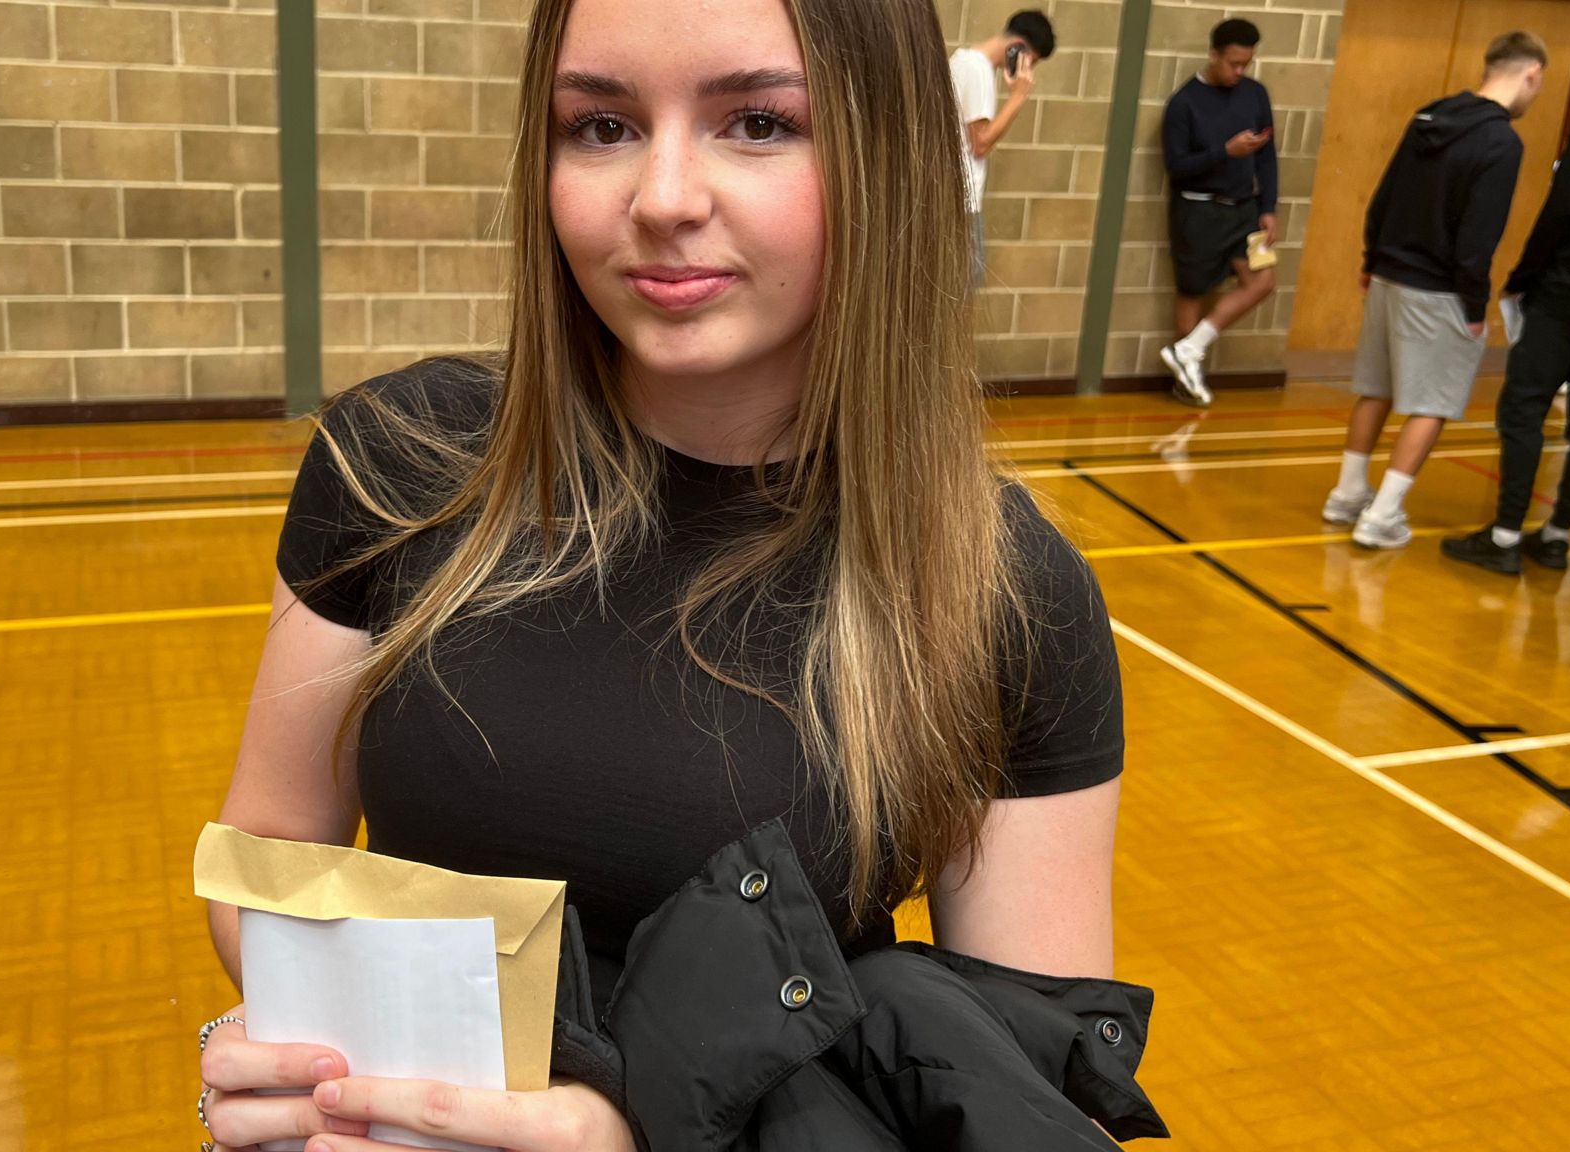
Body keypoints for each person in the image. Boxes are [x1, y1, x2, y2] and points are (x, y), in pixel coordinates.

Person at [192, 0, 1132, 1149]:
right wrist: (331, 1069)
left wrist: (619, 1123)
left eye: (756, 121)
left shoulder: (1004, 585)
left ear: (884, 151)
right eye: (599, 127)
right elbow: (271, 859)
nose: (662, 198)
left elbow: (1013, 1089)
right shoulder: (401, 458)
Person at [1321, 31, 1546, 551]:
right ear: (1531, 72)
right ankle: (1383, 514)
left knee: (1375, 387)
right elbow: (1477, 235)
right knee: (1433, 401)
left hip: (1388, 274)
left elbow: (1385, 193)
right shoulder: (1501, 142)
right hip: (1439, 287)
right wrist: (1474, 306)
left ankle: (1347, 494)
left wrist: (1371, 259)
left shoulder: (1431, 115)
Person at [1443, 39, 1570, 575]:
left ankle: (1502, 538)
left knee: (1523, 408)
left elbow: (1562, 205)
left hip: (1568, 292)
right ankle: (1558, 535)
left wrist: (1523, 277)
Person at [1159, 18, 1279, 408]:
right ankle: (1184, 379)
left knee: (1263, 280)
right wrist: (1224, 152)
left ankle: (1189, 349)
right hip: (1196, 210)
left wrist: (1268, 208)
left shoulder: (1256, 95)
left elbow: (1267, 157)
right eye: (1233, 64)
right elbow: (1177, 166)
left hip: (1243, 210)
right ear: (1214, 55)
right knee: (1193, 291)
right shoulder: (1184, 103)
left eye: (1246, 64)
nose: (1239, 72)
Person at [950, 10, 1056, 282]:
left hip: (954, 200)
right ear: (1017, 48)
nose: (1028, 71)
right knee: (965, 285)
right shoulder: (978, 70)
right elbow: (980, 143)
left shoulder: (964, 62)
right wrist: (1018, 97)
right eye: (1030, 62)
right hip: (962, 204)